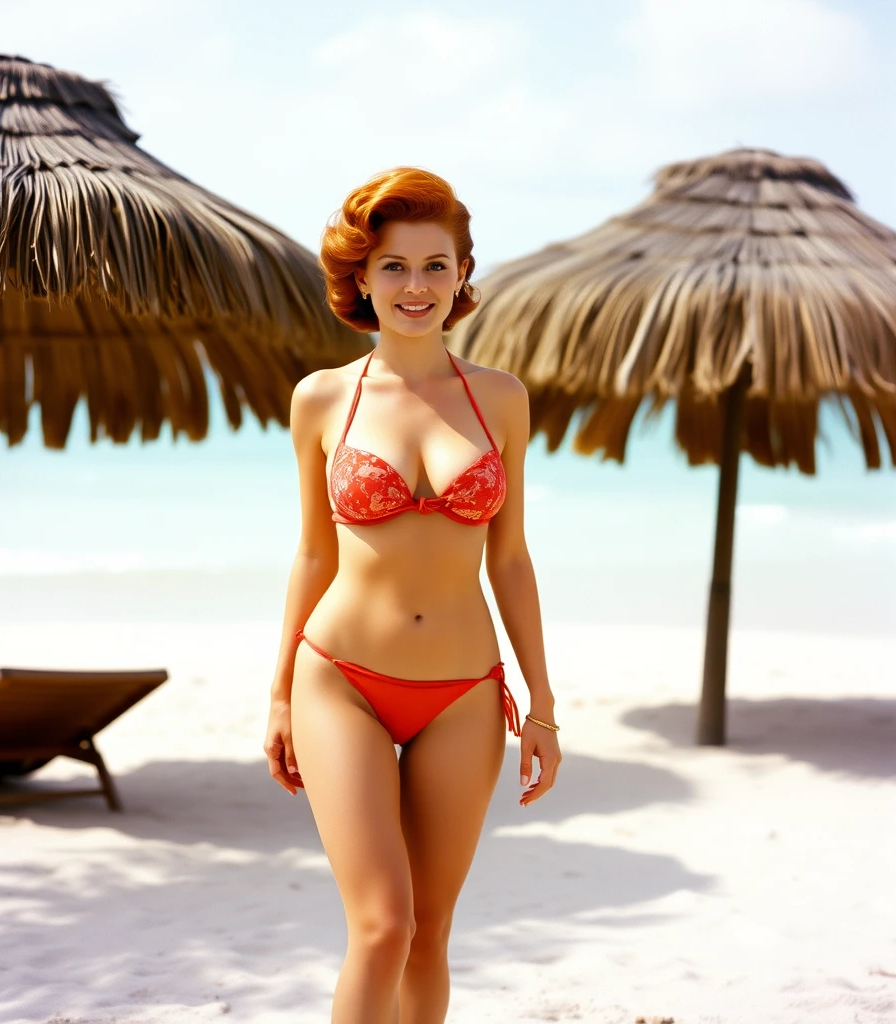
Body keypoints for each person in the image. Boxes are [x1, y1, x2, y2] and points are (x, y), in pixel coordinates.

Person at [264, 167, 561, 1024]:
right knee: (382, 925)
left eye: (437, 265)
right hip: (342, 679)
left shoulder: (501, 399)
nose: (416, 286)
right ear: (360, 277)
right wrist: (281, 691)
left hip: (464, 693)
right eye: (393, 266)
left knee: (431, 932)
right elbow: (314, 553)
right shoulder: (322, 399)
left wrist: (540, 704)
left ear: (463, 276)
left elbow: (510, 560)